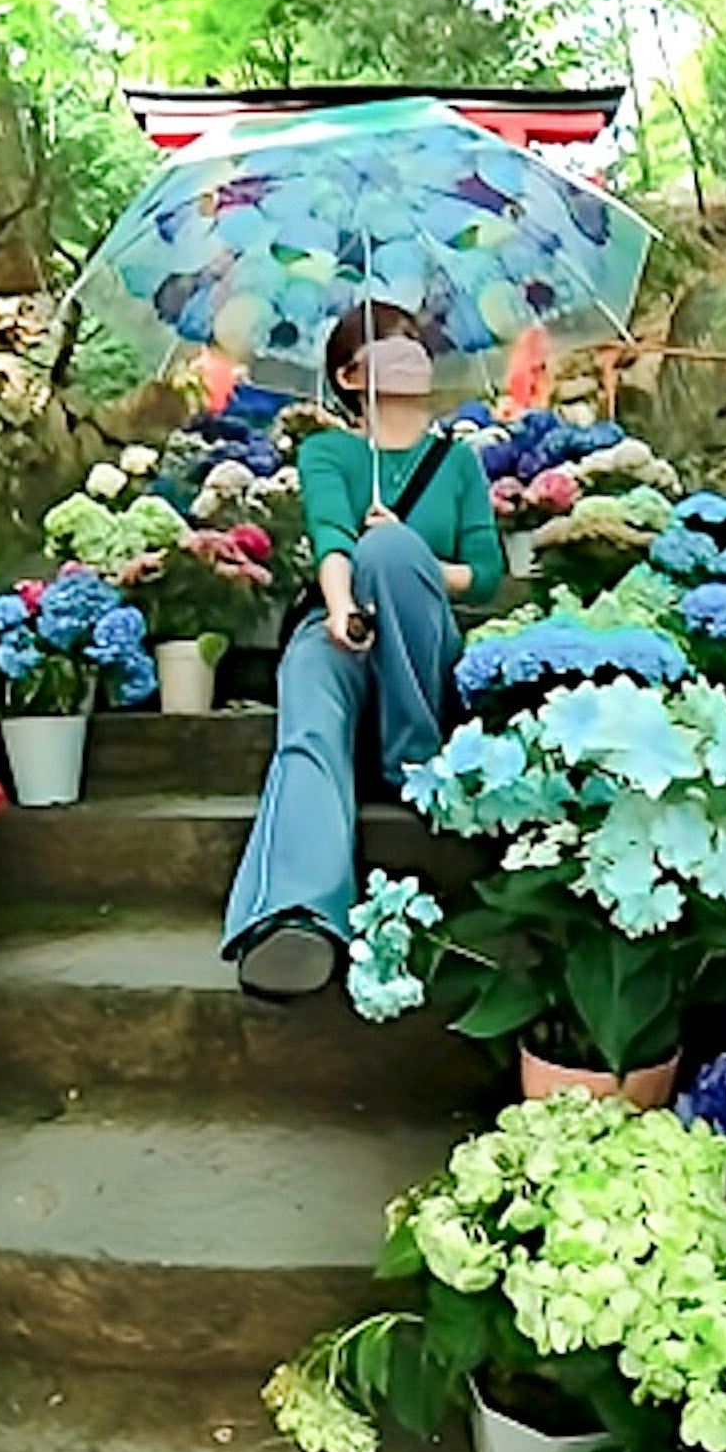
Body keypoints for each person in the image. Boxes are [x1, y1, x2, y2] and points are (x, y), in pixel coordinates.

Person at [220, 306, 506, 998]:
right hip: (342, 624)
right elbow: (330, 539)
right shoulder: (330, 453)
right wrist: (345, 609)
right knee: (311, 704)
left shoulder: (458, 461)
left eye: (414, 347)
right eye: (387, 351)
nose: (407, 358)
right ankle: (293, 909)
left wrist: (406, 554)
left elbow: (486, 572)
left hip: (422, 642)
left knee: (390, 546)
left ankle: (410, 753)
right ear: (350, 375)